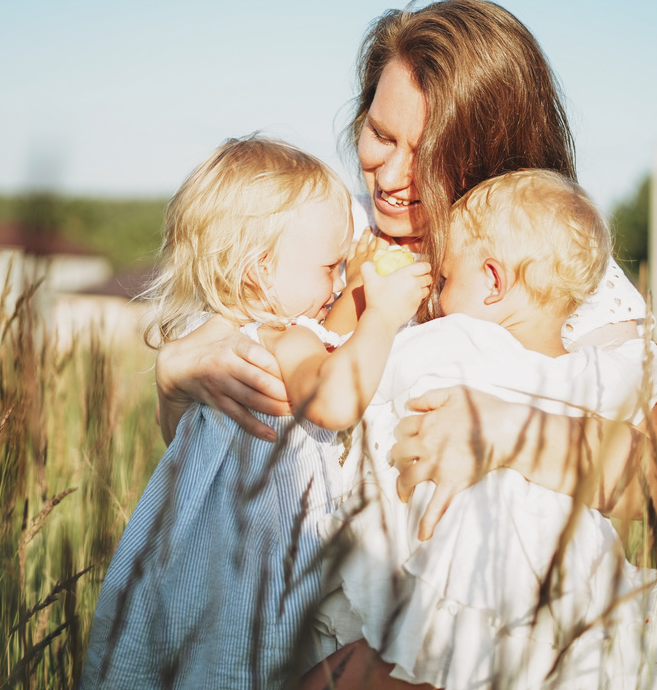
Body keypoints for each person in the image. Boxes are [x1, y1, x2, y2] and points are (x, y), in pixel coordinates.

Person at [154, 0, 657, 530]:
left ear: (494, 157)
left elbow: (652, 485)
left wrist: (506, 431)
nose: (391, 176)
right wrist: (172, 381)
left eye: (430, 155)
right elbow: (212, 442)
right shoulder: (324, 239)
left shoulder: (548, 266)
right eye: (381, 135)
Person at [80, 135, 432, 688]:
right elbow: (336, 398)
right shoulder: (274, 340)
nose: (336, 282)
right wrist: (382, 316)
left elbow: (325, 339)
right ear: (259, 273)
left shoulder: (222, 342)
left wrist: (358, 287)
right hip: (247, 585)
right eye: (330, 267)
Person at [307, 170, 657, 690]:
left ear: (493, 280)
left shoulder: (451, 340)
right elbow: (647, 371)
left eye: (444, 281)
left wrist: (374, 312)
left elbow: (349, 382)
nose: (435, 296)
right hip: (569, 589)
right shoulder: (587, 371)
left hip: (465, 577)